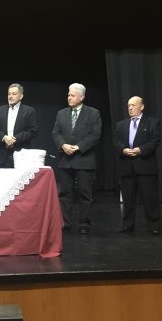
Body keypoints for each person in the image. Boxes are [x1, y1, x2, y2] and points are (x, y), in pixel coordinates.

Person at [51, 83, 102, 234]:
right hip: (65, 159)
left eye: (72, 95)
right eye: (68, 95)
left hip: (84, 159)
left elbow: (95, 135)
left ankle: (84, 224)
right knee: (65, 193)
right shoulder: (61, 113)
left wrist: (78, 147)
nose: (69, 97)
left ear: (82, 97)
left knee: (85, 194)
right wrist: (63, 145)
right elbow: (55, 133)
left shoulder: (93, 113)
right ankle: (65, 223)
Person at [113, 96, 162, 234]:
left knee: (150, 199)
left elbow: (155, 141)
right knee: (128, 200)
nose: (130, 108)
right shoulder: (121, 124)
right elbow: (115, 141)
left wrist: (140, 150)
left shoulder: (152, 122)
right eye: (129, 105)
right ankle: (127, 226)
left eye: (133, 105)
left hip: (145, 166)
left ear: (142, 106)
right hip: (126, 167)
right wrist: (123, 149)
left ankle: (154, 226)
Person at [0, 83, 39, 168]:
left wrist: (14, 139)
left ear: (21, 96)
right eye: (9, 94)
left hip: (21, 154)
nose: (10, 96)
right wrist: (4, 138)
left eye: (14, 94)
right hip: (1, 154)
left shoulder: (30, 111)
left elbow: (33, 131)